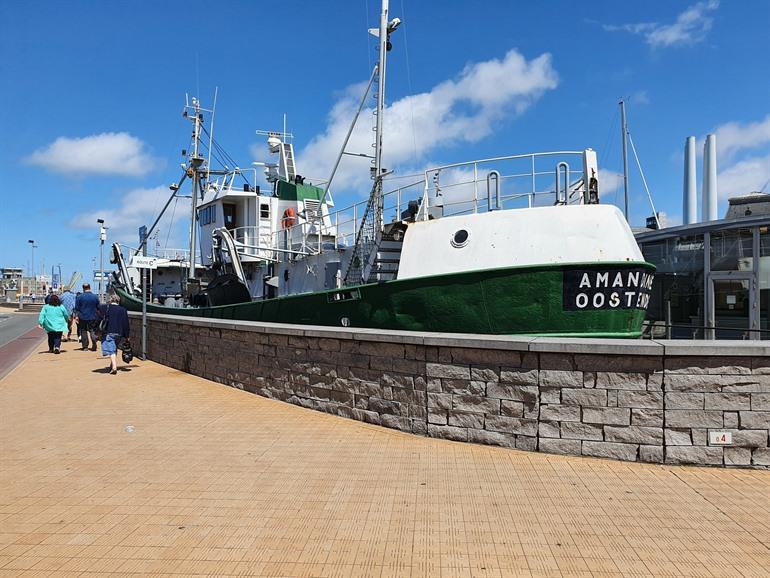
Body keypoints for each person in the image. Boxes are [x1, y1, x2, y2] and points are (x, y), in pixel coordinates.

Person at [98, 294, 130, 374]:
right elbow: (126, 324)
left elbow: (98, 318)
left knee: (111, 350)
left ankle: (114, 367)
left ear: (110, 300)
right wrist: (127, 336)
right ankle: (111, 365)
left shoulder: (105, 308)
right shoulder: (123, 310)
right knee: (114, 347)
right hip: (119, 332)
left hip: (109, 331)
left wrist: (97, 331)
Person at [75, 283, 100, 351]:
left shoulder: (79, 297)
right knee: (92, 330)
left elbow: (77, 308)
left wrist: (76, 316)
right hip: (93, 316)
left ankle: (85, 346)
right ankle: (94, 340)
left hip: (82, 316)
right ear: (90, 287)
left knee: (83, 331)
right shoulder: (95, 296)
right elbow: (98, 307)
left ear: (83, 288)